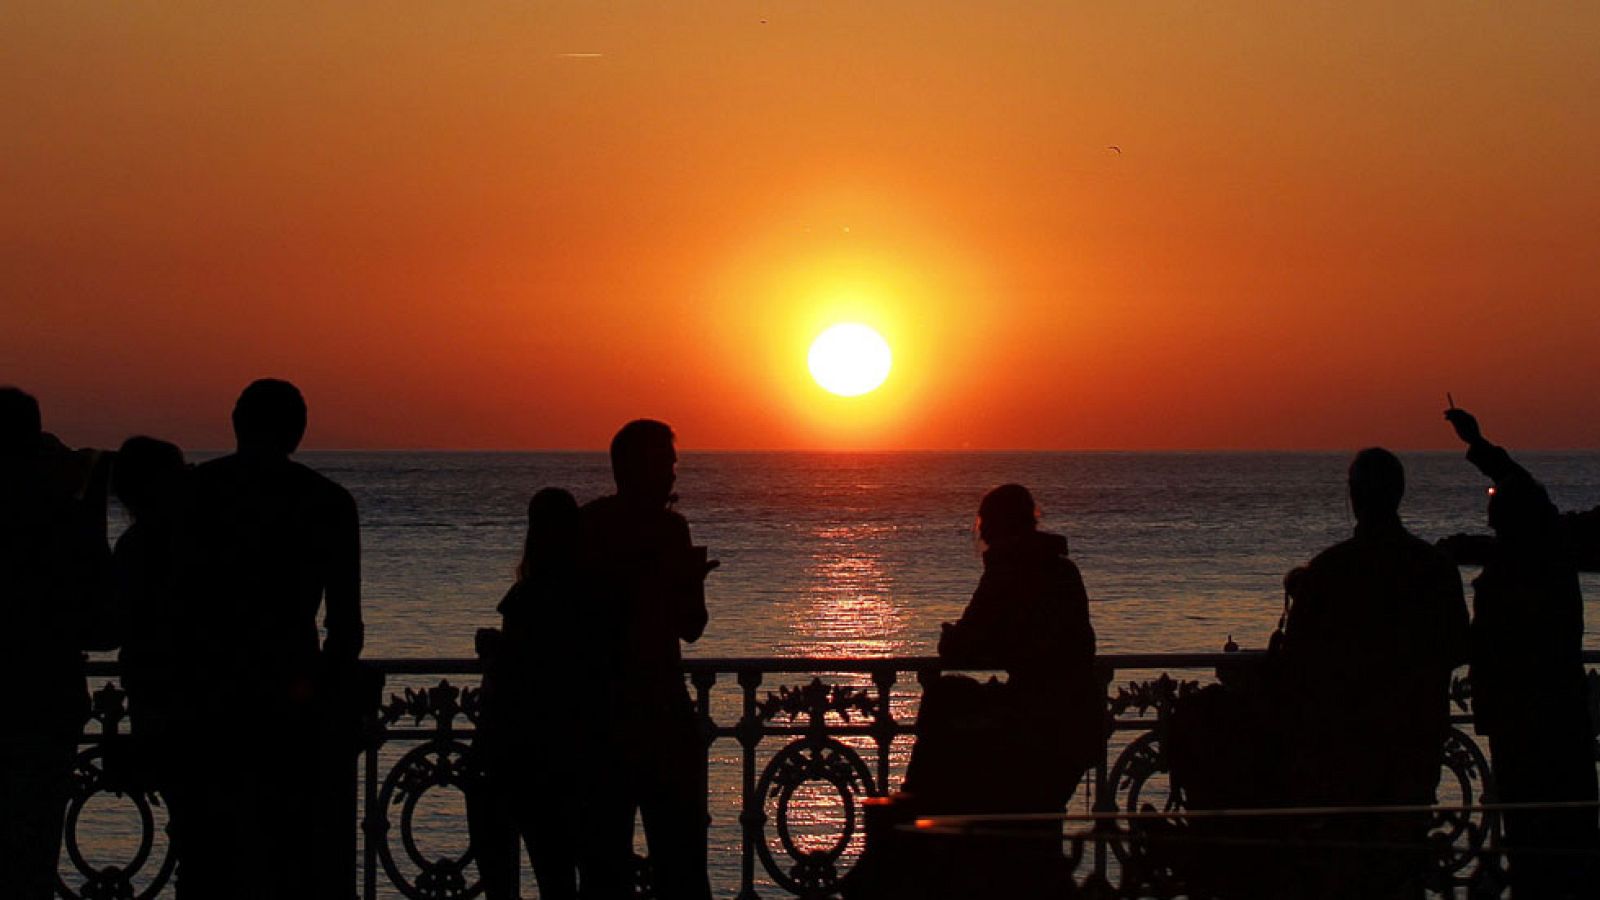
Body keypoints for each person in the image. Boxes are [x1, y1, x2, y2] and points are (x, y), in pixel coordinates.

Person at [178, 378, 363, 900]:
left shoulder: (195, 494)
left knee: (208, 863)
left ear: (235, 425)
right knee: (291, 861)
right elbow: (346, 628)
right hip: (291, 704)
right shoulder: (328, 503)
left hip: (206, 704)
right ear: (298, 433)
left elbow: (169, 601)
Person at [886, 484, 1101, 899]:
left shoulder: (1009, 566)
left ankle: (913, 829)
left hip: (1040, 726)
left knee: (945, 702)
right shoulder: (1060, 568)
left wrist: (957, 639)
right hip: (1078, 722)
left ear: (991, 526)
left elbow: (964, 642)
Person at [1276, 448, 1469, 898]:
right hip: (1414, 739)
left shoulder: (1328, 571)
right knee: (1402, 856)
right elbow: (1460, 644)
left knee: (1349, 862)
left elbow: (1296, 660)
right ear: (1399, 495)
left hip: (1345, 744)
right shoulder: (1434, 566)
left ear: (1353, 497)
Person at [1440, 407, 1598, 898]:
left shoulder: (1512, 574)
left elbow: (1479, 641)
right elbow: (1520, 483)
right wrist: (1478, 442)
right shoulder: (1553, 548)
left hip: (1522, 720)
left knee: (1533, 837)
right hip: (1562, 715)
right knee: (1567, 832)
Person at [581, 419, 717, 900]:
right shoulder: (668, 531)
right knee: (678, 862)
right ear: (638, 467)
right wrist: (686, 581)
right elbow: (692, 626)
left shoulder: (590, 525)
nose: (673, 474)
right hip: (655, 715)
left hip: (602, 718)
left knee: (603, 866)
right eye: (666, 463)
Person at [0, 387, 114, 900]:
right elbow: (101, 622)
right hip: (47, 698)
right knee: (33, 852)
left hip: (35, 698)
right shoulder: (63, 507)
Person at [469, 487, 592, 900]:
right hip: (562, 755)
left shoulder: (533, 593)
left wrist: (493, 651)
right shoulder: (582, 592)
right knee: (557, 874)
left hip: (515, 754)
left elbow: (520, 668)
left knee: (506, 876)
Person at [108, 437, 195, 887]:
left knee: (191, 836)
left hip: (157, 705)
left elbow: (107, 627)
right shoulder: (204, 543)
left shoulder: (135, 546)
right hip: (207, 703)